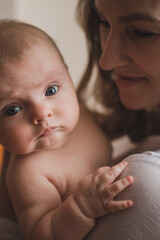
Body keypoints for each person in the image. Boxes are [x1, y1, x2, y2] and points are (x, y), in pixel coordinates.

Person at [0, 19, 133, 240]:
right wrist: (81, 208)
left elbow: (113, 128)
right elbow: (40, 234)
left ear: (69, 77)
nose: (42, 114)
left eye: (51, 90)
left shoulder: (81, 116)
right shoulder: (30, 173)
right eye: (13, 109)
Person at [75, 0, 160, 239]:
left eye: (142, 32)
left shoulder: (145, 183)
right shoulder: (121, 136)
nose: (106, 60)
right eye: (103, 21)